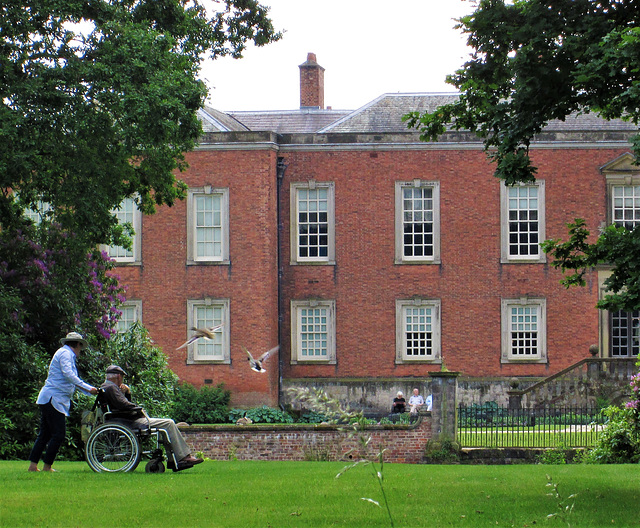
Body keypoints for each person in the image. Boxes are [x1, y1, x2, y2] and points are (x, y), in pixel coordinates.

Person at [99, 365, 203, 470]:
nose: (122, 380)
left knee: (166, 426)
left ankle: (173, 460)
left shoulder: (106, 387)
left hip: (123, 420)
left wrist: (127, 392)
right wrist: (138, 408)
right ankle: (184, 457)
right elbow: (124, 404)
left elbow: (121, 404)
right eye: (122, 377)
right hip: (129, 421)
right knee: (169, 423)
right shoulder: (112, 387)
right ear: (118, 376)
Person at [28, 332, 99, 472]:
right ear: (77, 344)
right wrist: (89, 388)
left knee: (45, 434)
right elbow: (69, 375)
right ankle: (47, 466)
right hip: (53, 399)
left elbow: (70, 380)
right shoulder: (66, 354)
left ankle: (33, 466)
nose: (80, 351)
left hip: (50, 398)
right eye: (80, 346)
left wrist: (88, 390)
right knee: (58, 434)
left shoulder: (64, 353)